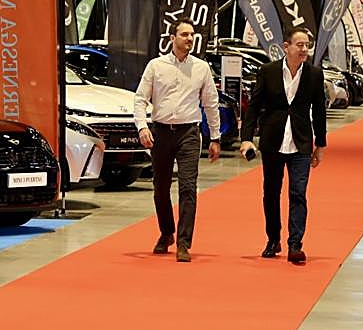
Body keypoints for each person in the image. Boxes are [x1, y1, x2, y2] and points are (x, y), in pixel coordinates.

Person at [134, 20, 222, 263]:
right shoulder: (156, 65)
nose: (189, 39)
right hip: (161, 131)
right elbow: (140, 99)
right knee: (160, 188)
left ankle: (184, 243)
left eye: (192, 35)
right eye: (184, 34)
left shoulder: (202, 68)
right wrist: (142, 127)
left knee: (188, 187)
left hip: (189, 134)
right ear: (172, 37)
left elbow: (211, 103)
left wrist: (215, 137)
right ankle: (166, 233)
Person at [239, 28, 327, 265]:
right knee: (271, 194)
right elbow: (254, 107)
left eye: (307, 45)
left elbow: (319, 111)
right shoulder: (268, 71)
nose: (304, 49)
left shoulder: (314, 75)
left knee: (298, 193)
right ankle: (273, 238)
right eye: (299, 45)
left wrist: (320, 144)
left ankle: (295, 243)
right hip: (273, 142)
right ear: (286, 46)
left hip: (301, 143)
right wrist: (246, 138)